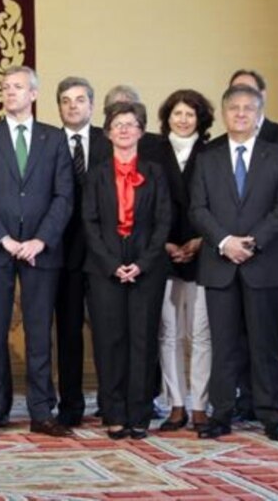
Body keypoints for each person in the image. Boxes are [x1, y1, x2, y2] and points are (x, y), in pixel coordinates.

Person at [0, 66, 74, 440]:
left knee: (39, 334)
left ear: (33, 94)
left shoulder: (54, 138)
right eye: (4, 87)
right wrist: (5, 239)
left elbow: (64, 196)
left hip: (41, 251)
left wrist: (41, 240)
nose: (9, 92)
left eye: (17, 87)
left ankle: (42, 412)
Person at [189, 83, 278, 442]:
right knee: (224, 344)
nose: (240, 114)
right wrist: (224, 241)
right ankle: (220, 414)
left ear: (258, 114)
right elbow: (198, 209)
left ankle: (272, 415)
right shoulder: (208, 158)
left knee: (264, 344)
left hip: (263, 263)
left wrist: (252, 242)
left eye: (247, 108)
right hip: (220, 264)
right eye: (233, 108)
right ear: (224, 114)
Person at [82, 101, 171, 439]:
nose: (123, 129)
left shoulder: (155, 172)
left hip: (147, 267)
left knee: (143, 340)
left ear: (140, 131)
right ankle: (114, 412)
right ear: (107, 132)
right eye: (117, 124)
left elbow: (163, 221)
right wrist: (112, 263)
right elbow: (89, 223)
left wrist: (143, 263)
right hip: (104, 267)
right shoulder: (97, 174)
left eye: (130, 124)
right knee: (110, 341)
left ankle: (140, 413)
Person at [156, 89, 215, 432]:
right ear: (168, 117)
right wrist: (163, 243)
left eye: (189, 114)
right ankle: (176, 404)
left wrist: (199, 241)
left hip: (202, 253)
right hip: (163, 254)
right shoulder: (154, 151)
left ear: (200, 119)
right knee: (169, 334)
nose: (182, 120)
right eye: (177, 113)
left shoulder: (212, 153)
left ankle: (200, 405)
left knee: (201, 334)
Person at [54, 76, 110, 427]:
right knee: (68, 333)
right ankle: (71, 406)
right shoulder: (48, 143)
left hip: (105, 255)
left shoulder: (109, 142)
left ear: (92, 105)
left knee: (109, 332)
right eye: (66, 101)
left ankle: (111, 401)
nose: (73, 106)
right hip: (63, 256)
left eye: (79, 100)